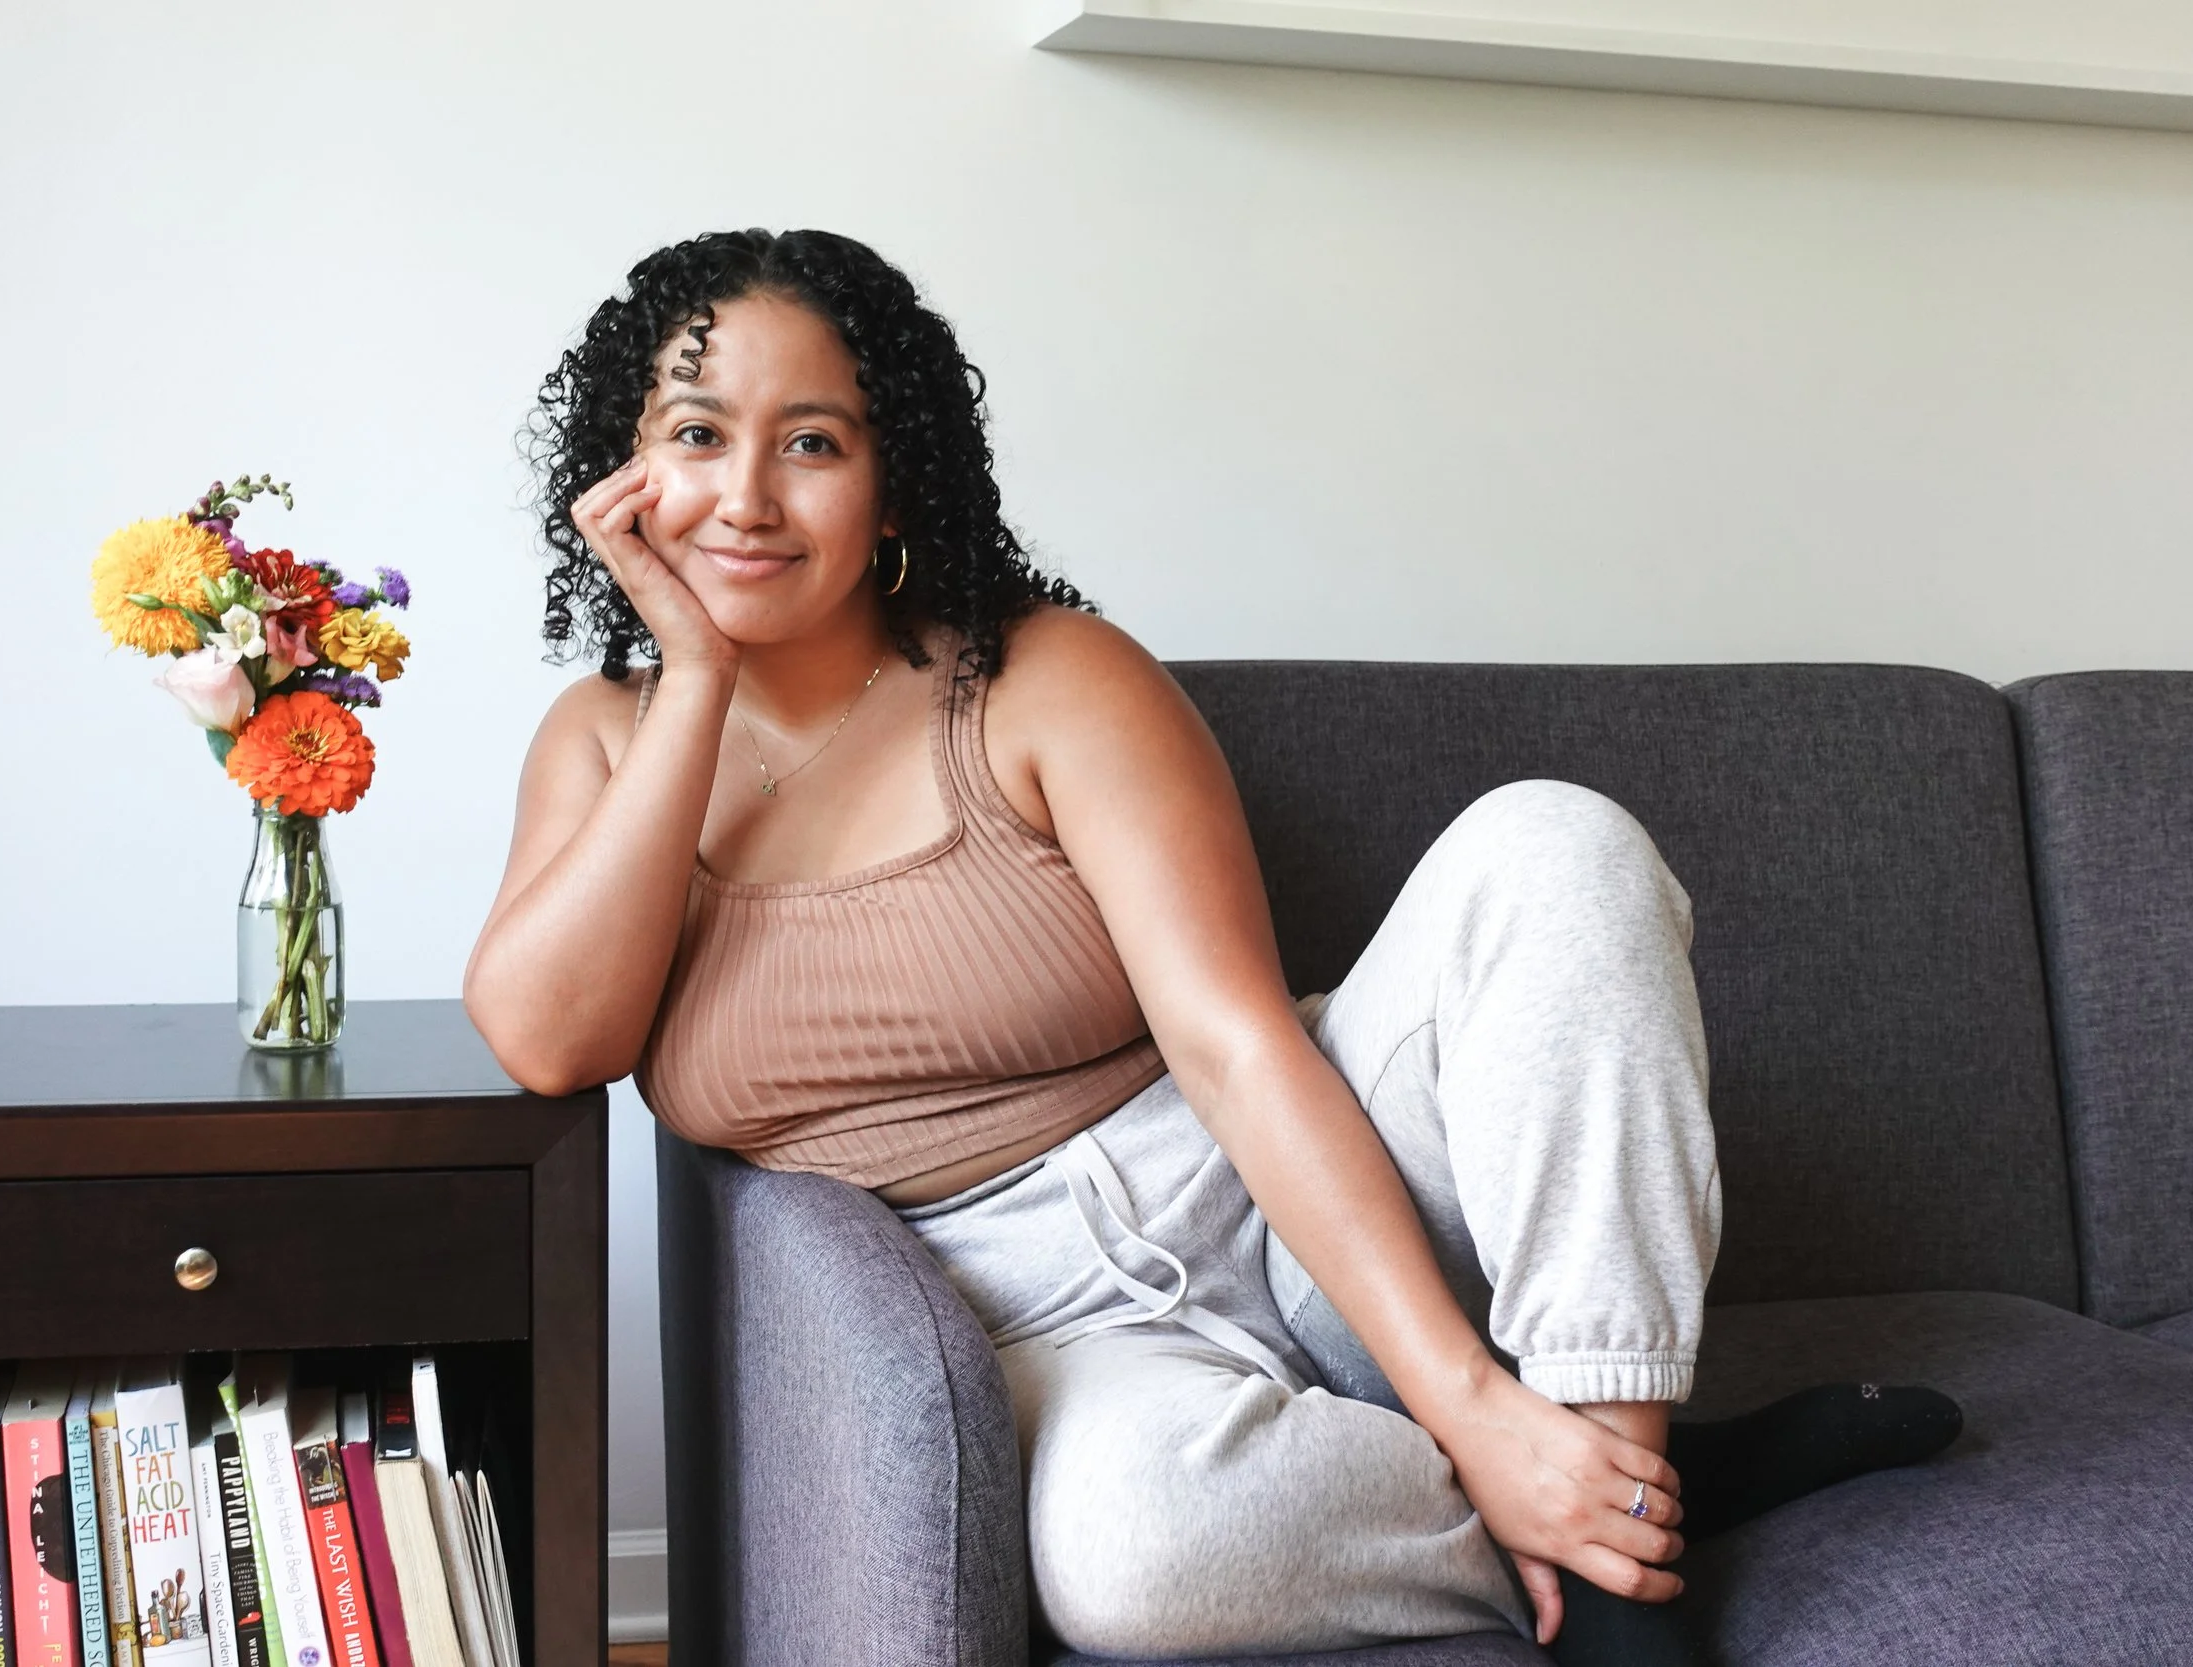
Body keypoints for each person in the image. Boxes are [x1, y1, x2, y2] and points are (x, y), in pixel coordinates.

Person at [465, 228, 1957, 1665]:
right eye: (697, 435)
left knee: (1554, 848)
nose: (745, 497)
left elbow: (1233, 1042)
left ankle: (1609, 1482)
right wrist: (696, 679)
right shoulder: (605, 741)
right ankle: (1617, 1498)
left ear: (892, 482)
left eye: (812, 442)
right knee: (1131, 1555)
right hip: (1056, 1341)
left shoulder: (1041, 675)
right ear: (625, 473)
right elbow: (549, 1040)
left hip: (1307, 1196)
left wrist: (1458, 1382)